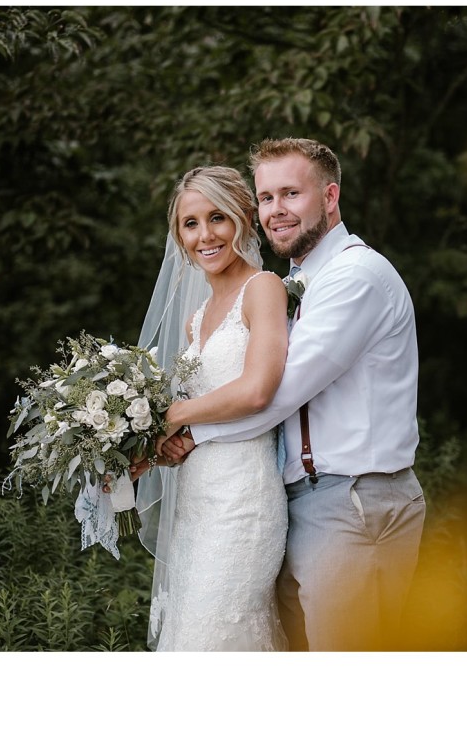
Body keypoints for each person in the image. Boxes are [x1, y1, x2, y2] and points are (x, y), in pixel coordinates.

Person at [158, 137, 425, 651]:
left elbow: (275, 393)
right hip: (294, 498)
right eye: (266, 197)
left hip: (354, 498)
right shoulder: (298, 281)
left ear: (329, 197)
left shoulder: (355, 276)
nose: (276, 210)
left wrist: (183, 430)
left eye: (290, 194)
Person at [134, 165, 290, 651]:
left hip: (242, 502)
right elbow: (206, 414)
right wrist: (155, 451)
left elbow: (256, 390)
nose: (205, 235)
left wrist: (172, 416)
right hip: (196, 504)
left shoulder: (263, 288)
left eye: (217, 218)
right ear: (179, 236)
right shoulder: (195, 319)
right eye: (191, 223)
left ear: (244, 218)